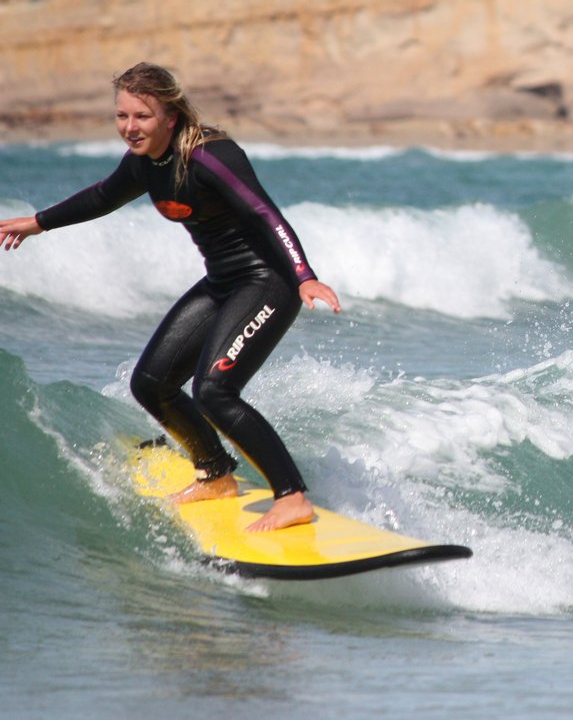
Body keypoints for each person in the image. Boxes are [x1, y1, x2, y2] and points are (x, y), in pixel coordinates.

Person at [0, 63, 341, 532]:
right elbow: (103, 196)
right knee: (152, 384)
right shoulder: (145, 163)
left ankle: (292, 496)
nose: (129, 127)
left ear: (170, 117)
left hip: (267, 282)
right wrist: (37, 223)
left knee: (215, 392)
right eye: (121, 116)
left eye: (141, 116)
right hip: (222, 282)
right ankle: (216, 475)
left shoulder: (211, 156)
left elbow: (265, 212)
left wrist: (304, 275)